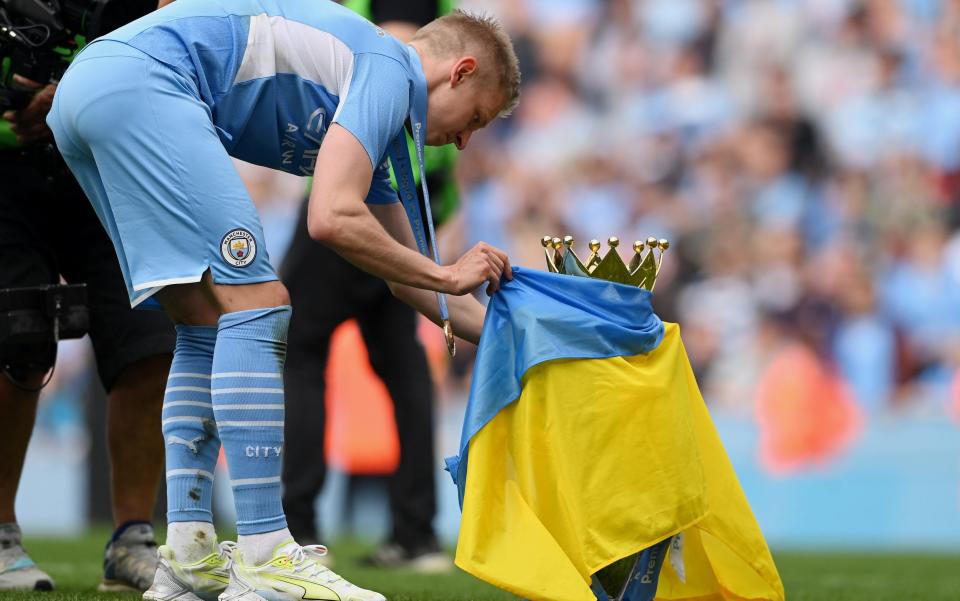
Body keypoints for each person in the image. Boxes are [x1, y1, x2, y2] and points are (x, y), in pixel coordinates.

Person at [46, 0, 520, 599]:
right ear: (460, 70)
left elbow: (409, 282)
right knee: (262, 301)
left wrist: (522, 336)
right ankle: (267, 551)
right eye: (475, 117)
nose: (466, 141)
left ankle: (189, 553)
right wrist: (449, 274)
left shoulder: (371, 111)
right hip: (147, 84)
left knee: (202, 319)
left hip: (88, 93)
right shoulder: (390, 67)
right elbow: (330, 218)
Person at [0, 5, 174, 594]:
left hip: (106, 163)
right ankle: (0, 536)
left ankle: (132, 539)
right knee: (17, 340)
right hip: (7, 174)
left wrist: (76, 91)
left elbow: (173, 31)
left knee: (149, 342)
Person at [281, 0, 458, 572]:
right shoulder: (443, 14)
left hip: (364, 199)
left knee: (303, 358)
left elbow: (395, 58)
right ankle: (414, 532)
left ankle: (298, 529)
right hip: (384, 202)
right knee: (402, 370)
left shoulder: (389, 22)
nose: (463, 138)